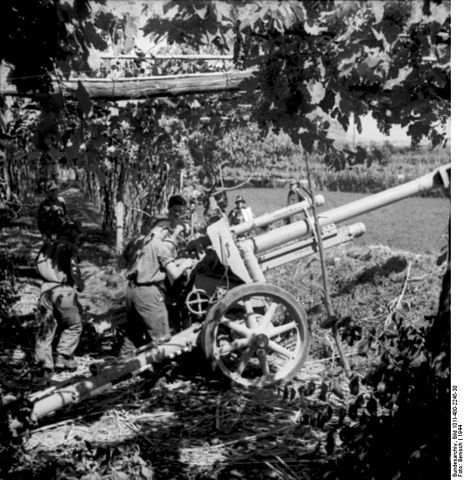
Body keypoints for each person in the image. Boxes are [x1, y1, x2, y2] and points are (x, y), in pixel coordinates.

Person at [118, 198, 195, 357]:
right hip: (149, 293)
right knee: (162, 338)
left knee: (133, 333)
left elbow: (121, 263)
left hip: (132, 291)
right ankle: (159, 375)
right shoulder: (160, 245)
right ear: (162, 229)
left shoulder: (139, 241)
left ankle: (121, 367)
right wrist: (186, 264)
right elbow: (174, 273)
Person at [34, 220, 84, 382]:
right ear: (73, 234)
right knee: (74, 324)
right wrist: (80, 285)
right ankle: (63, 356)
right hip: (63, 290)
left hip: (45, 290)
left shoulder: (47, 246)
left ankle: (45, 366)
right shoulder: (69, 248)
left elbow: (36, 265)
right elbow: (73, 269)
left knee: (45, 329)